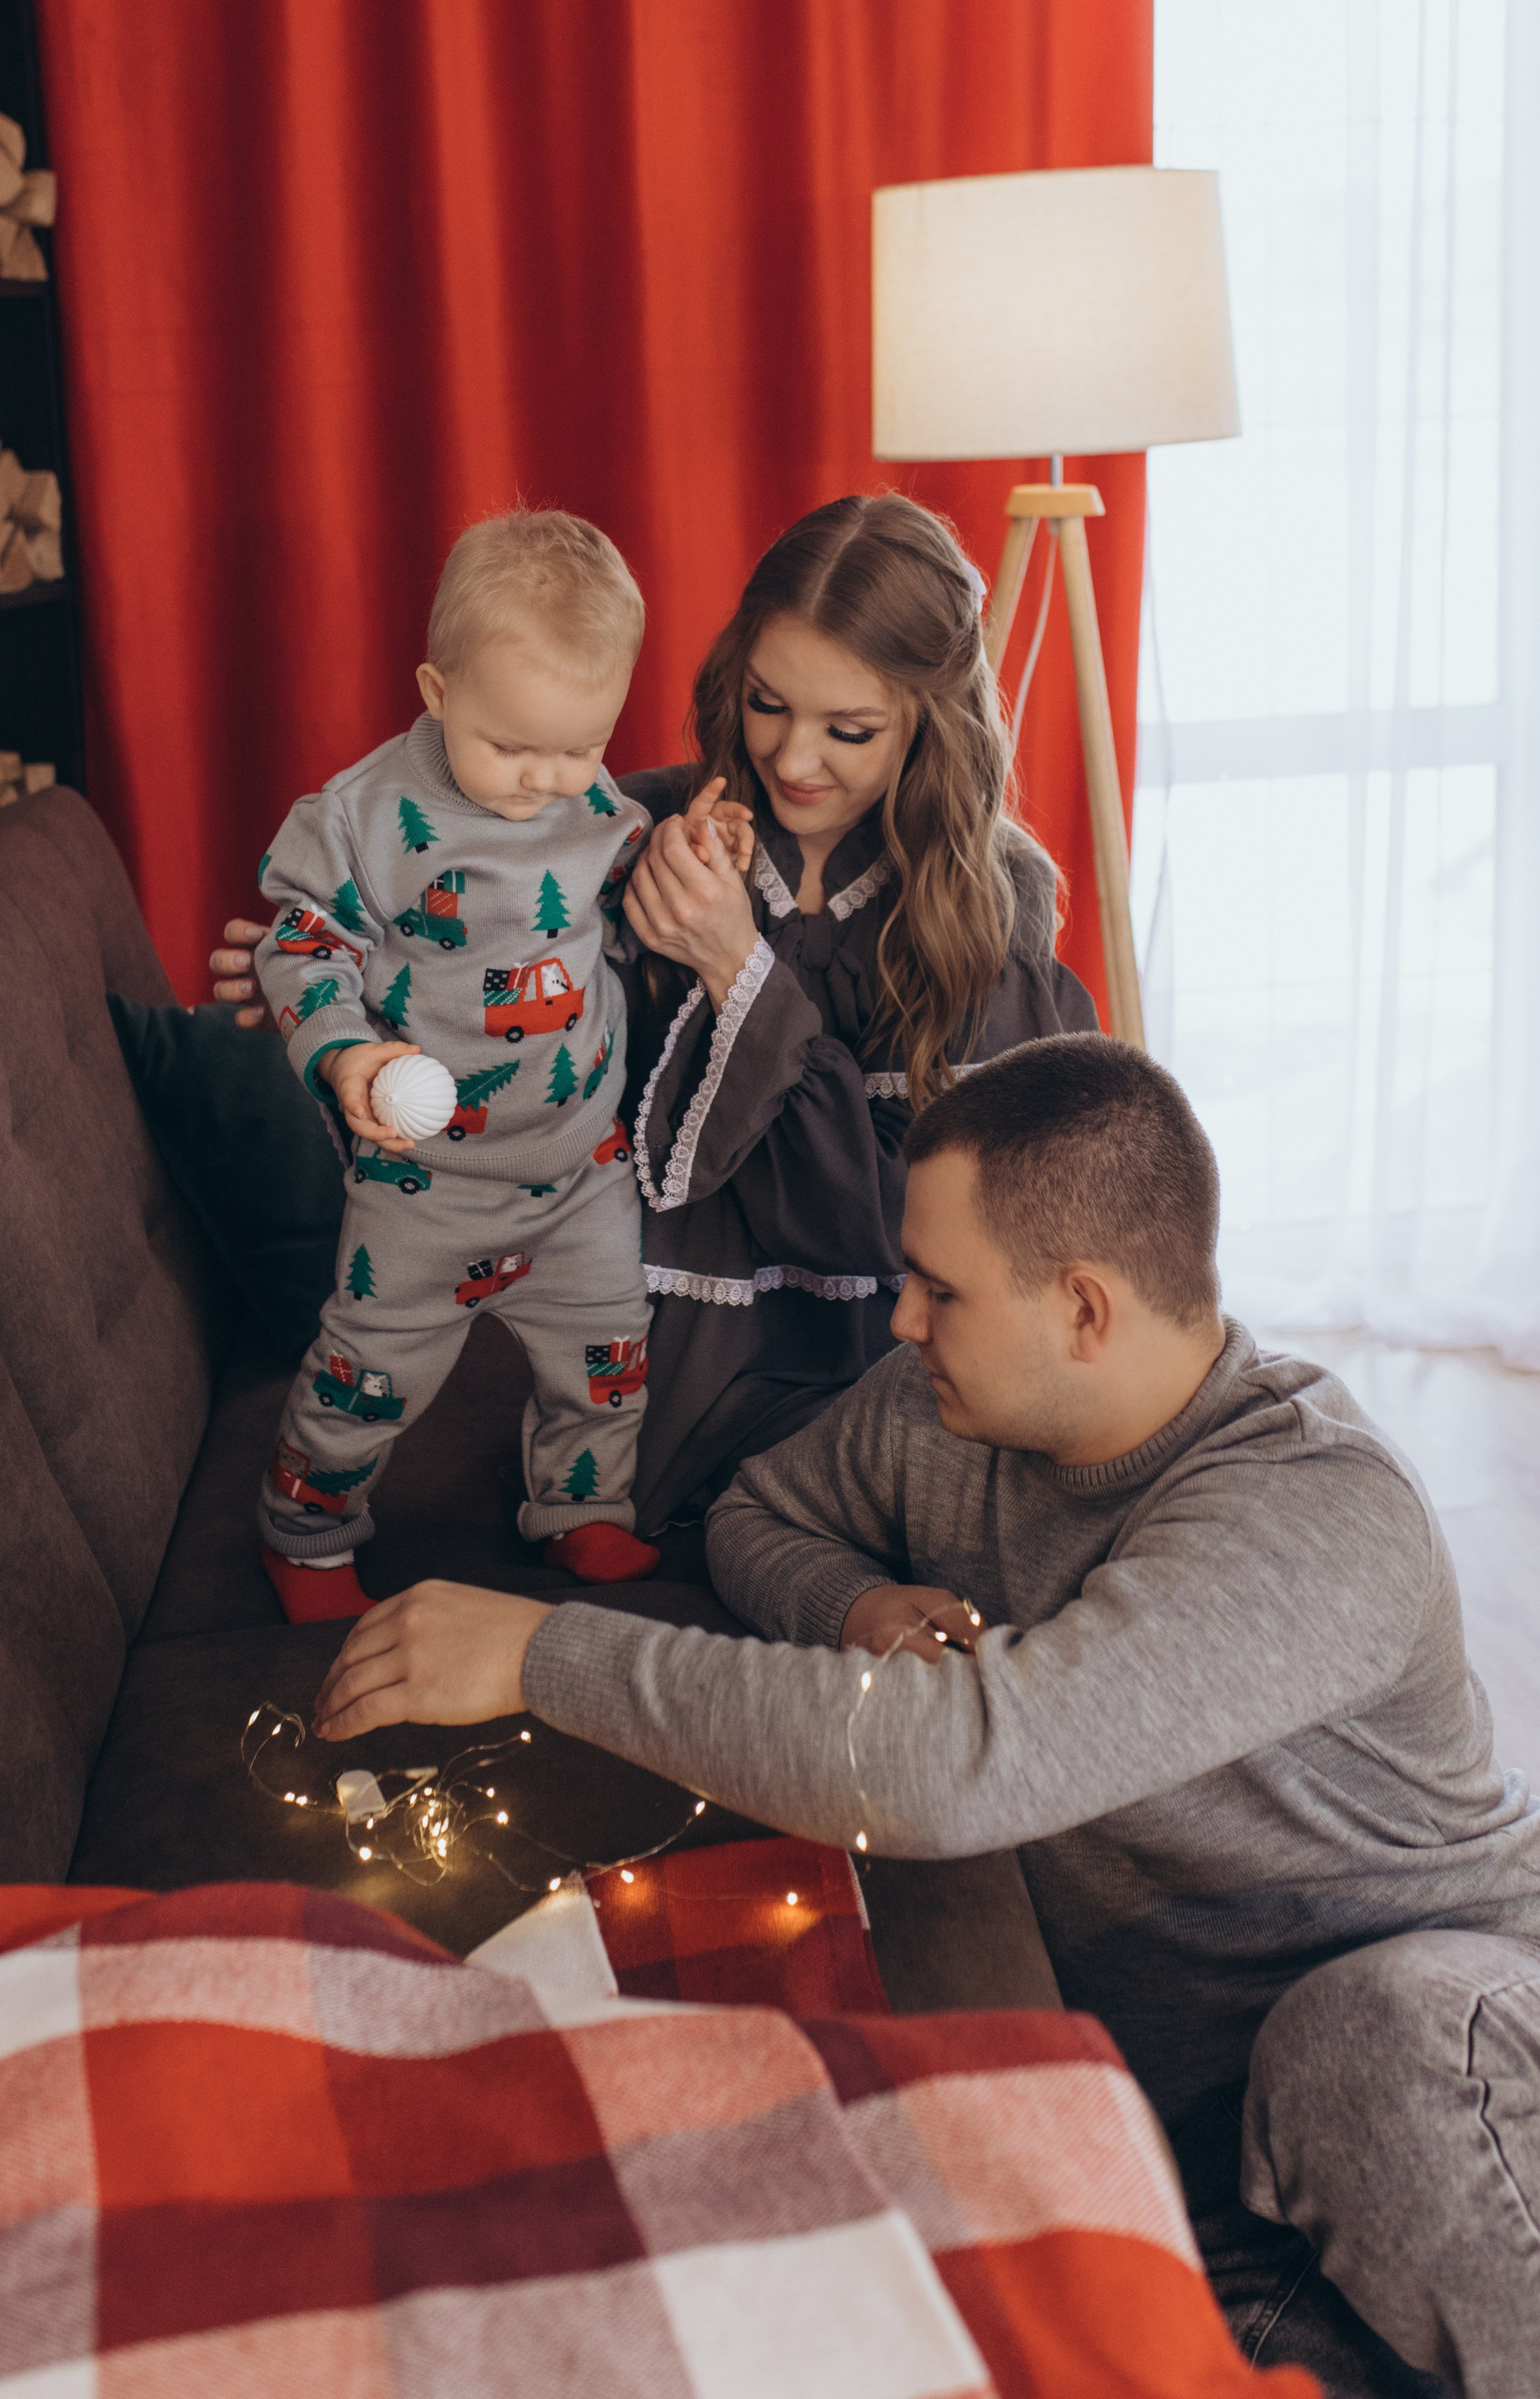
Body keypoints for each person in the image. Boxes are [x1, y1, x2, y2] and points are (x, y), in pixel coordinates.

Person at [310, 1035, 1540, 2397]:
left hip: (1462, 2062)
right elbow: (759, 1512)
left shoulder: (1313, 1513)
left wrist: (544, 1653)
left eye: (939, 1289)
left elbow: (951, 1767)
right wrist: (849, 1605)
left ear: (1083, 1310)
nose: (901, 1320)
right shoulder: (945, 1411)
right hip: (1234, 2195)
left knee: (1361, 2042)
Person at [213, 492, 1100, 1533]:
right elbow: (443, 935)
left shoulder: (983, 911)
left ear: (928, 721)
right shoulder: (631, 821)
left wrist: (736, 965)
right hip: (675, 1357)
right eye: (767, 704)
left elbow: (889, 1226)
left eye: (849, 730)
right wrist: (320, 991)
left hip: (877, 1351)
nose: (792, 760)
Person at [249, 507, 751, 1623]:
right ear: (438, 692)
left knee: (607, 1355)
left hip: (580, 1171)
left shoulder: (594, 807)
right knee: (370, 1372)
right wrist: (345, 1055)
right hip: (423, 1186)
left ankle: (580, 1510)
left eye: (579, 747)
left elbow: (631, 910)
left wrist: (692, 854)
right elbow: (301, 947)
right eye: (512, 747)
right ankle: (307, 1531)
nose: (543, 780)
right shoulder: (362, 819)